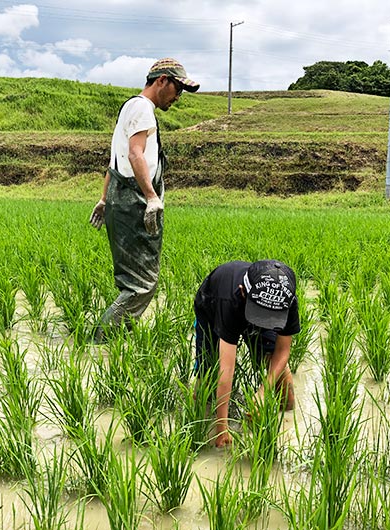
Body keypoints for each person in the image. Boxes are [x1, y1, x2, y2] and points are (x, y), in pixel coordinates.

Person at [89, 58, 199, 337]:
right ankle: (100, 342)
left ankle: (114, 341)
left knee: (132, 282)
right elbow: (134, 154)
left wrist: (104, 199)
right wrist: (151, 197)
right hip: (134, 201)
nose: (178, 97)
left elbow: (115, 160)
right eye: (177, 89)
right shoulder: (143, 109)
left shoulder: (130, 107)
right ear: (162, 80)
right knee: (141, 284)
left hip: (120, 195)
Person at [193, 259, 300, 448]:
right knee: (207, 372)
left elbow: (283, 352)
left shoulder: (285, 299)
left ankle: (285, 417)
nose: (263, 323)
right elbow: (226, 369)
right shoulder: (229, 301)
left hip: (260, 303)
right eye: (261, 317)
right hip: (212, 303)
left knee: (286, 392)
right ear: (243, 291)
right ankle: (199, 414)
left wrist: (263, 392)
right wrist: (221, 428)